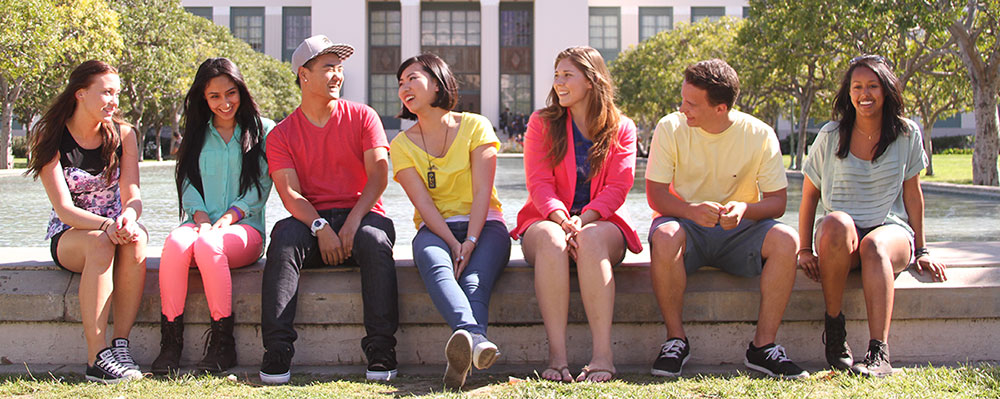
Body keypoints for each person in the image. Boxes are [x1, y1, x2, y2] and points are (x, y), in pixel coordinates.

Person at [645, 59, 807, 379]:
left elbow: (777, 202)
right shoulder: (670, 127)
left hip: (741, 231)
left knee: (787, 240)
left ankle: (763, 347)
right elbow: (656, 196)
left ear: (720, 108)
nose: (683, 108)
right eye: (682, 99)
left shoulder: (760, 134)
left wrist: (744, 209)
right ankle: (676, 341)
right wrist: (690, 210)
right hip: (687, 227)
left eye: (691, 104)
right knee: (664, 236)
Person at [259, 35, 398, 384]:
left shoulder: (363, 116)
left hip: (362, 216)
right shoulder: (281, 135)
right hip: (312, 221)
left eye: (339, 68)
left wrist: (352, 222)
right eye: (327, 68)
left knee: (375, 241)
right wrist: (321, 227)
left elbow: (379, 174)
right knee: (284, 238)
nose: (337, 75)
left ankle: (381, 350)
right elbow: (290, 194)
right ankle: (277, 350)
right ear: (303, 75)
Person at [797, 55, 947, 377]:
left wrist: (922, 250)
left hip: (890, 231)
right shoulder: (831, 135)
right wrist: (804, 249)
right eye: (857, 87)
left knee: (875, 245)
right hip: (841, 238)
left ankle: (879, 353)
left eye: (872, 86)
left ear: (886, 90)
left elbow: (912, 196)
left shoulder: (907, 134)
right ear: (848, 94)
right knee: (836, 222)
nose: (865, 94)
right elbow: (809, 197)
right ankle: (835, 332)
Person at [511, 46, 642, 383]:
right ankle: (557, 359)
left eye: (567, 75)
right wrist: (561, 218)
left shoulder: (622, 128)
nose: (559, 83)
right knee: (554, 240)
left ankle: (602, 358)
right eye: (556, 75)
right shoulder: (542, 123)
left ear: (591, 80)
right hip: (546, 221)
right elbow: (539, 183)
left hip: (600, 223)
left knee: (591, 237)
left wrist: (582, 220)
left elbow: (618, 186)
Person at [391, 53, 511, 390]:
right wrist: (454, 242)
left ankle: (466, 351)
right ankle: (476, 340)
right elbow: (424, 205)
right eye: (400, 83)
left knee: (473, 281)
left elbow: (482, 191)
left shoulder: (475, 125)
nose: (404, 88)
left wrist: (470, 240)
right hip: (436, 229)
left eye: (412, 78)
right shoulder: (400, 145)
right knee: (436, 264)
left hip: (485, 225)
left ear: (438, 81)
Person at [25, 60, 146, 383]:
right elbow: (64, 209)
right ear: (80, 94)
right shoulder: (49, 136)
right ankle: (97, 357)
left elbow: (132, 194)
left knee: (139, 239)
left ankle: (120, 345)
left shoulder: (124, 135)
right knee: (100, 242)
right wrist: (107, 226)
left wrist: (128, 218)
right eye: (106, 92)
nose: (114, 101)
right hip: (71, 234)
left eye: (116, 93)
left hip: (115, 226)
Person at [151, 58, 275, 374]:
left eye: (230, 93)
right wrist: (203, 218)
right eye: (214, 96)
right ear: (204, 99)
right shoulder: (196, 134)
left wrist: (230, 217)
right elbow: (188, 182)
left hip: (244, 230)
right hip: (199, 222)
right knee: (175, 245)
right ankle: (170, 344)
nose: (224, 103)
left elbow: (262, 185)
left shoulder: (263, 130)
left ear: (241, 91)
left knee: (209, 246)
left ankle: (222, 344)